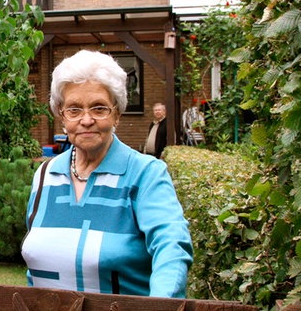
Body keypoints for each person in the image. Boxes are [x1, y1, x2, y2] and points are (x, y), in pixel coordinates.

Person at [21, 49, 193, 298]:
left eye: (99, 108)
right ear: (61, 115)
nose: (86, 119)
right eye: (74, 109)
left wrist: (161, 304)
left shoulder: (145, 174)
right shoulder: (45, 174)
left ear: (117, 114)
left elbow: (172, 248)